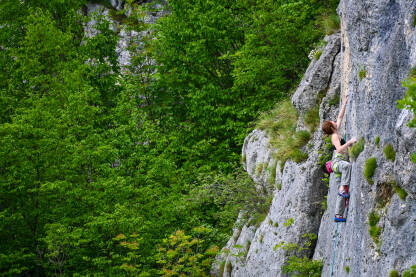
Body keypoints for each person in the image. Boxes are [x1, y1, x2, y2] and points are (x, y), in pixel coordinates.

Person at [321, 93, 356, 222]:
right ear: (332, 127)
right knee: (346, 168)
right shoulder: (335, 137)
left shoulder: (337, 131)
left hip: (338, 164)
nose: (335, 121)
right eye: (332, 122)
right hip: (337, 163)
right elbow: (339, 149)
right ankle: (343, 189)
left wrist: (345, 103)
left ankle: (338, 215)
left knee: (342, 192)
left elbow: (340, 116)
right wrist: (350, 142)